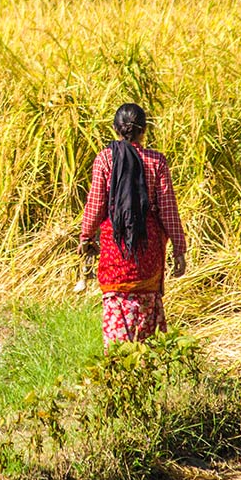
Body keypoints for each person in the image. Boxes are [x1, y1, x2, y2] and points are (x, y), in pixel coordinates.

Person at [79, 103, 187, 346]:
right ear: (144, 130)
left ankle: (119, 372)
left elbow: (95, 206)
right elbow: (168, 210)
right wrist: (179, 248)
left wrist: (85, 237)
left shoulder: (105, 159)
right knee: (147, 319)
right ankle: (146, 370)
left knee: (116, 312)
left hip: (115, 251)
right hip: (148, 255)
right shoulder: (156, 161)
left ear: (116, 129)